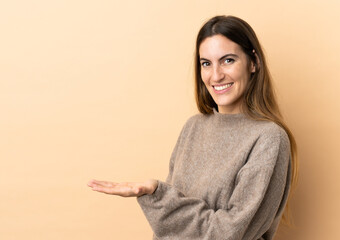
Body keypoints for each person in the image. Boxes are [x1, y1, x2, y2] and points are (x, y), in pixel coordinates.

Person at [87, 15, 298, 240]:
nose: (215, 76)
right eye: (206, 63)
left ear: (253, 62)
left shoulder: (269, 138)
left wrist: (158, 195)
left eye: (228, 60)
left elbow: (229, 233)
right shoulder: (193, 127)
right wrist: (160, 198)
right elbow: (170, 231)